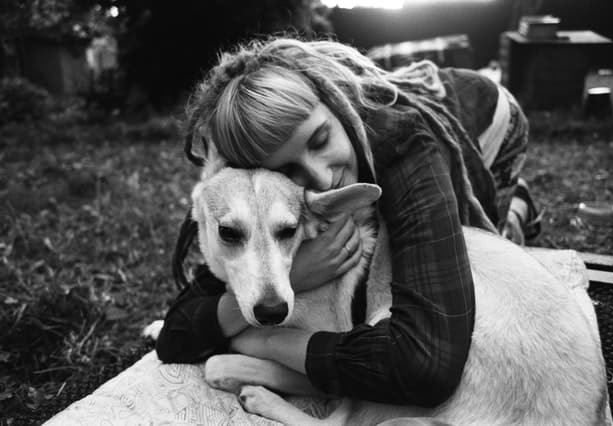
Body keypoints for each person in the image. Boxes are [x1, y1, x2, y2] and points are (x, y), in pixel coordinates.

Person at [156, 37, 540, 407]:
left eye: (320, 140)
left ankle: (519, 208)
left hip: (489, 120)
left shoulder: (406, 146)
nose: (323, 179)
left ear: (335, 104)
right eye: (288, 169)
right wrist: (296, 276)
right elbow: (177, 334)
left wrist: (266, 343)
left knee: (471, 252)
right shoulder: (239, 195)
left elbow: (427, 365)